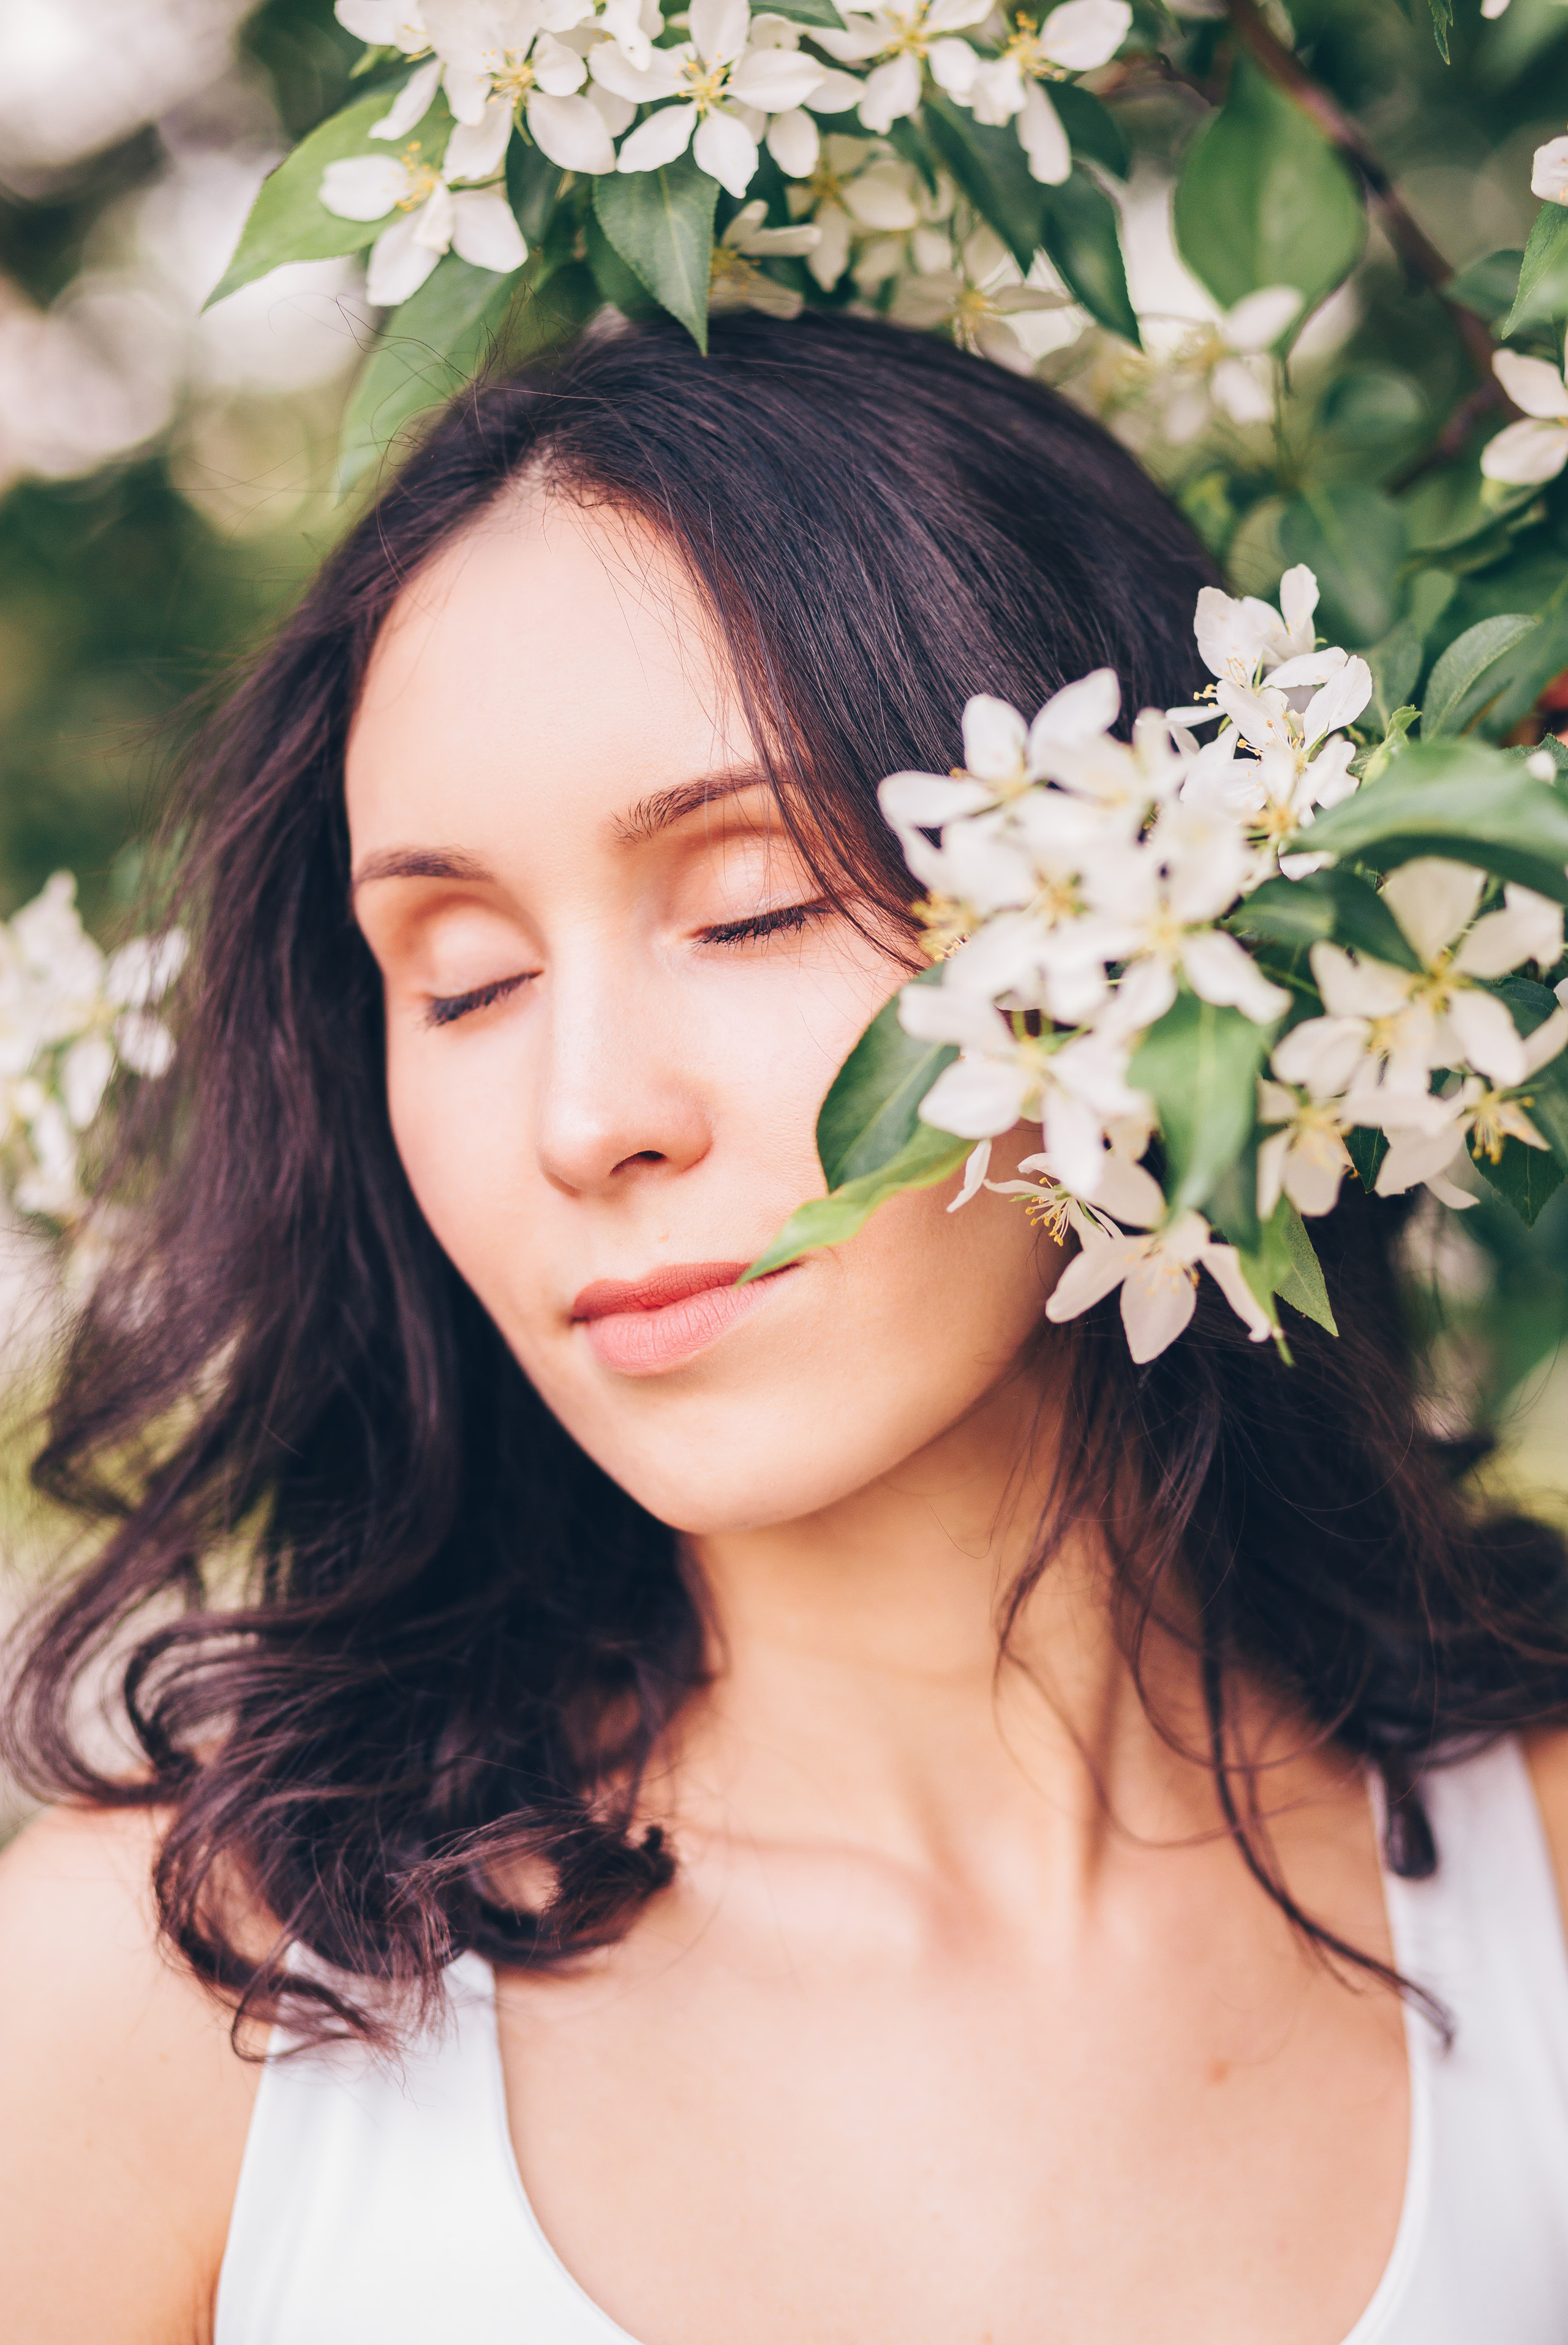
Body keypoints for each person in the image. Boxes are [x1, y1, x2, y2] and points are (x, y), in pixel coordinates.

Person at [2, 312, 1567, 2345]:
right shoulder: (169, 2007)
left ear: (1163, 916)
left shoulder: (1539, 1863)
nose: (587, 1119)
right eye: (462, 980)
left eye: (750, 905)